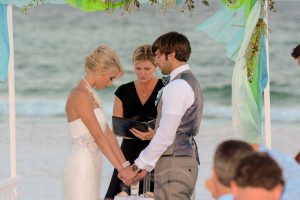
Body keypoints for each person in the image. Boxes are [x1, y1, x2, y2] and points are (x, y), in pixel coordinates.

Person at [119, 32, 204, 200]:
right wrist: (146, 167)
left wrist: (136, 167)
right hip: (182, 160)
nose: (156, 61)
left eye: (158, 56)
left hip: (175, 164)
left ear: (171, 55)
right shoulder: (189, 81)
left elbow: (165, 135)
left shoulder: (177, 86)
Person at [63, 45, 136, 200]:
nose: (110, 84)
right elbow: (98, 136)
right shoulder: (80, 94)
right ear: (101, 70)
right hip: (81, 165)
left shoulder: (92, 95)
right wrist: (121, 170)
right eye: (111, 78)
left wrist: (125, 165)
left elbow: (108, 134)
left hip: (94, 163)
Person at [104, 44, 164, 199]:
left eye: (147, 68)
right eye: (138, 68)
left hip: (156, 149)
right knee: (113, 195)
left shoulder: (166, 87)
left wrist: (154, 134)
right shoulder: (123, 91)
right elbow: (117, 125)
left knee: (156, 194)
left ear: (156, 66)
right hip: (129, 147)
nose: (142, 73)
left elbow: (171, 123)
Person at [205, 140, 300, 200]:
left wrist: (221, 193)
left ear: (234, 187)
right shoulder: (291, 194)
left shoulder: (228, 195)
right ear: (278, 190)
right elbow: (293, 171)